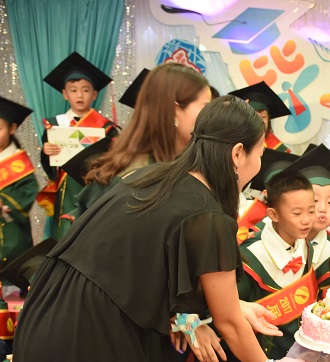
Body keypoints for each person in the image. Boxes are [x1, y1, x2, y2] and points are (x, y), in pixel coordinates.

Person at [11, 96, 301, 362]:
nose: (259, 163)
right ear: (237, 153)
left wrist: (236, 308)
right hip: (96, 333)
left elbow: (136, 267)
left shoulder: (152, 177)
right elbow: (229, 324)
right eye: (260, 152)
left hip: (50, 311)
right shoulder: (209, 214)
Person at [212, 168, 315, 362]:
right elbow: (230, 308)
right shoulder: (247, 255)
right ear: (272, 214)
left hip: (290, 348)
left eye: (311, 210)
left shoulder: (306, 247)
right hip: (249, 350)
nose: (307, 220)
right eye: (297, 213)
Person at [75, 62, 211, 216]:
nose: (211, 115)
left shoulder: (179, 166)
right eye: (205, 107)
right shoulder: (135, 181)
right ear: (175, 110)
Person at [38, 52, 117, 240]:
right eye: (73, 90)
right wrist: (46, 153)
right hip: (65, 192)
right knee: (65, 235)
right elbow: (51, 168)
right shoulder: (55, 125)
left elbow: (116, 162)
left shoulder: (106, 128)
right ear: (65, 94)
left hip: (94, 189)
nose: (79, 95)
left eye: (85, 90)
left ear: (94, 94)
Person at [0, 92, 39, 287]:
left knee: (13, 272)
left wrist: (4, 200)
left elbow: (29, 190)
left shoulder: (18, 162)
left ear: (12, 128)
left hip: (12, 228)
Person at [229, 81, 292, 152]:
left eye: (263, 117)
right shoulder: (231, 144)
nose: (259, 122)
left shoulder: (279, 151)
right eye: (253, 117)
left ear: (268, 119)